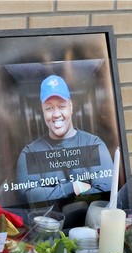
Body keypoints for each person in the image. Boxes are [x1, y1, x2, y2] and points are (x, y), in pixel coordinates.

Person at [15, 74, 114, 204]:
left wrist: (49, 196)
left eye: (61, 106)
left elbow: (105, 191)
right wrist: (74, 187)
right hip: (48, 224)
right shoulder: (30, 154)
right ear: (43, 111)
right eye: (49, 108)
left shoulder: (93, 144)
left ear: (71, 107)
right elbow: (27, 195)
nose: (56, 114)